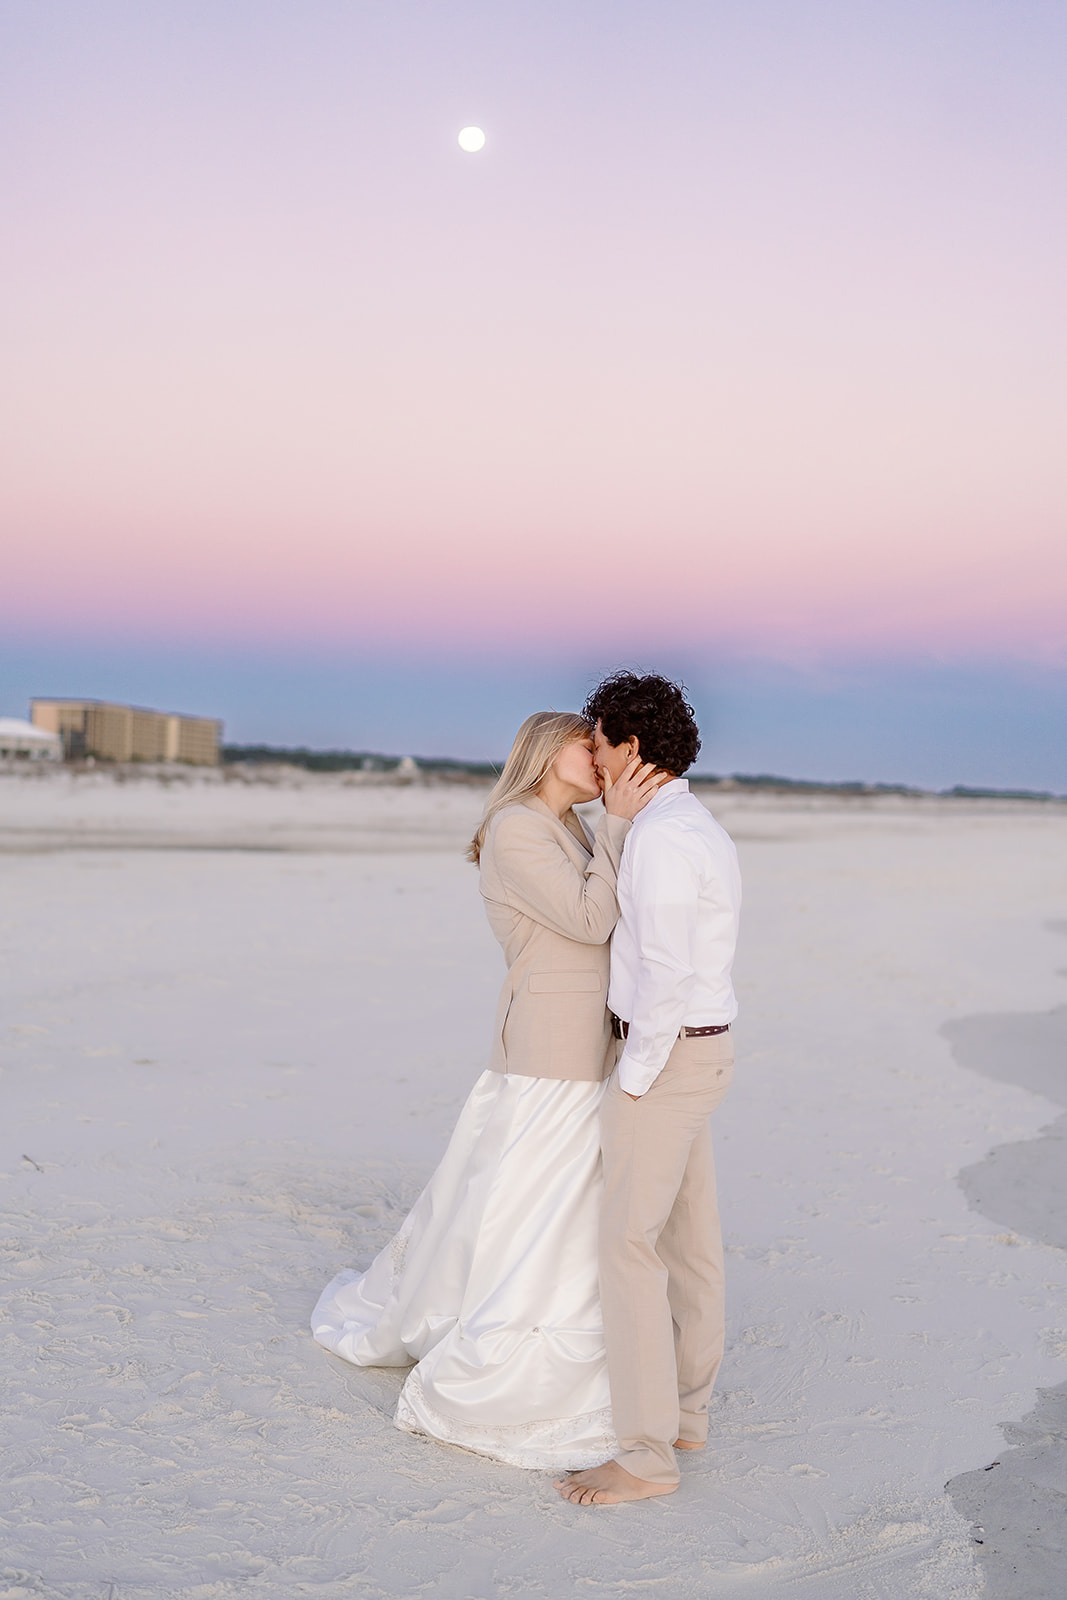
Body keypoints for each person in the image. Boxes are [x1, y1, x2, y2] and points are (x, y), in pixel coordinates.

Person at [311, 711, 663, 1470]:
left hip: (581, 1040)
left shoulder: (565, 824)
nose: (599, 758)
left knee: (534, 1199)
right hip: (547, 1044)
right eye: (587, 743)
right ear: (545, 751)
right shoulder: (516, 828)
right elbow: (589, 918)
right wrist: (621, 826)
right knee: (536, 1201)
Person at [556, 671, 742, 1505]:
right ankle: (686, 1417)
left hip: (664, 1059)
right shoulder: (677, 822)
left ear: (630, 748)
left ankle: (644, 1456)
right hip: (697, 1052)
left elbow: (662, 973)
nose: (589, 753)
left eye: (596, 740)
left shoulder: (666, 840)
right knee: (687, 1243)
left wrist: (632, 1078)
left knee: (628, 1249)